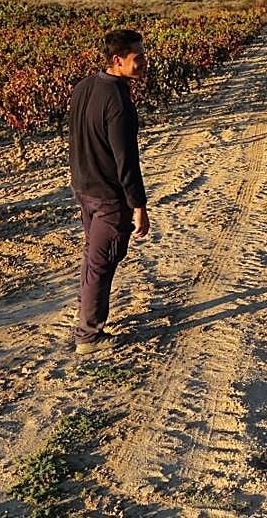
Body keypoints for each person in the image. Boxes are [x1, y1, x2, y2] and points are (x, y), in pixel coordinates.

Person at [68, 28, 150, 354]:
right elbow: (126, 161)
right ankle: (88, 335)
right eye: (138, 57)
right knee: (102, 261)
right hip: (108, 196)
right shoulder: (119, 102)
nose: (144, 62)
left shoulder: (85, 86)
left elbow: (76, 136)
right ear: (117, 60)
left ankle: (86, 320)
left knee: (94, 257)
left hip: (83, 187)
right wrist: (139, 205)